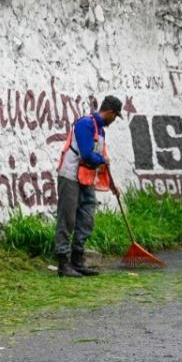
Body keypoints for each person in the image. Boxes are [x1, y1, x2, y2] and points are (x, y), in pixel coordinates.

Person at [54, 96, 123, 278]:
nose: (114, 120)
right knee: (67, 219)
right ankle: (63, 264)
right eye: (115, 116)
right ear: (109, 112)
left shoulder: (101, 131)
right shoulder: (85, 124)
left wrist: (111, 184)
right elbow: (86, 155)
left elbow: (101, 159)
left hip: (86, 178)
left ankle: (77, 260)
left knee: (86, 219)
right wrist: (102, 160)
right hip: (70, 175)